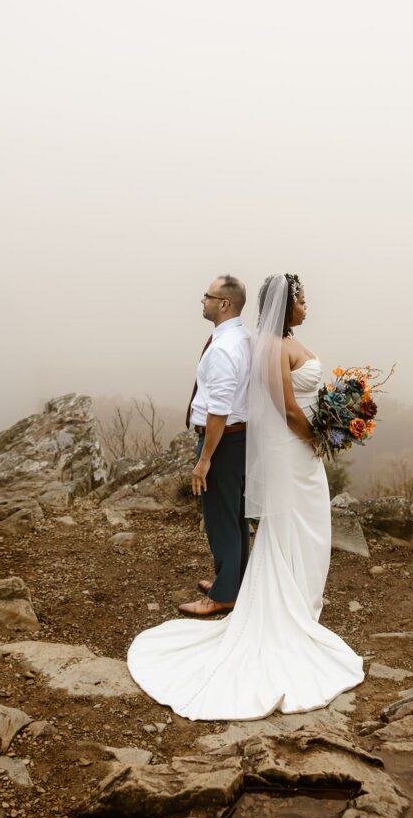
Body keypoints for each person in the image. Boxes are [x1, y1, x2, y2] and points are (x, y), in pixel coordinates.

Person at [127, 273, 364, 720]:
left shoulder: (257, 342)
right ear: (285, 303)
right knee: (281, 522)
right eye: (303, 299)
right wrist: (317, 436)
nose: (307, 305)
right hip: (297, 448)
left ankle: (260, 590)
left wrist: (336, 417)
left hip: (297, 447)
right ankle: (264, 596)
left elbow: (288, 401)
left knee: (275, 521)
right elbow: (286, 407)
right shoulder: (266, 346)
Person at [180, 275, 251, 616]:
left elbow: (219, 409)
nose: (202, 301)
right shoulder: (241, 337)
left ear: (224, 303)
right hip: (237, 441)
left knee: (221, 519)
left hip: (222, 443)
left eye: (207, 296)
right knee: (234, 516)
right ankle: (234, 582)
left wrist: (204, 459)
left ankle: (224, 595)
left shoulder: (224, 347)